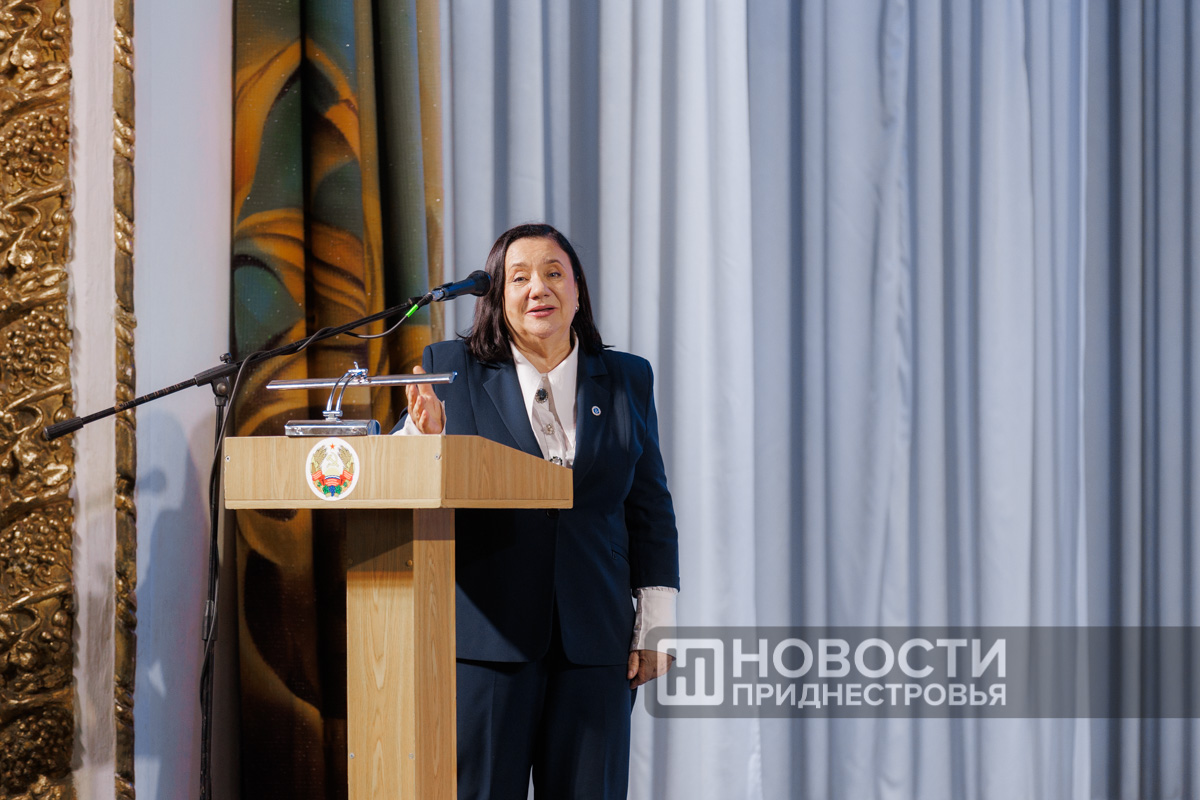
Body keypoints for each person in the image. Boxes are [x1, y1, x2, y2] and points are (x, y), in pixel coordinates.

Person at [395, 223, 679, 799]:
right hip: (486, 638)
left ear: (577, 290)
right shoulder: (450, 369)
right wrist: (424, 440)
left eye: (553, 273)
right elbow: (404, 481)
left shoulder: (627, 379)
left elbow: (649, 507)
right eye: (518, 277)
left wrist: (656, 627)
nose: (538, 289)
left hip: (595, 639)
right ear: (497, 297)